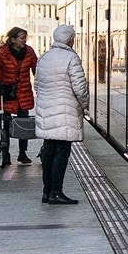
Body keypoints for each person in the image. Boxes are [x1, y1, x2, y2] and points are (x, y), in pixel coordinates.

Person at [33, 23, 88, 205]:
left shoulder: (44, 58)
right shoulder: (71, 58)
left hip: (47, 110)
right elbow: (80, 88)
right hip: (65, 112)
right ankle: (56, 192)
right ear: (70, 39)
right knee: (62, 152)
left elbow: (37, 86)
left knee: (49, 149)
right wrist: (84, 105)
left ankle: (46, 191)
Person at [0, 26, 38, 167]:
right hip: (7, 93)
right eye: (22, 38)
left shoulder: (29, 52)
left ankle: (22, 153)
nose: (24, 40)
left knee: (23, 124)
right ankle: (5, 153)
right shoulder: (1, 53)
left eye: (25, 38)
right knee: (5, 124)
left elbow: (36, 70)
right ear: (13, 39)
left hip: (23, 93)